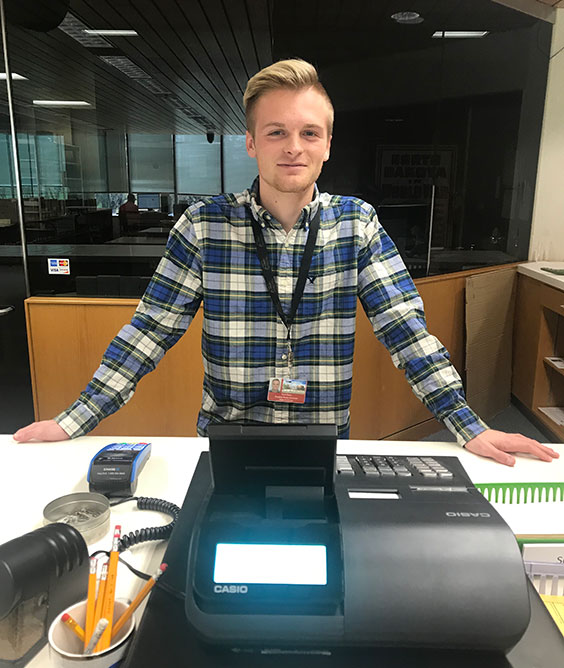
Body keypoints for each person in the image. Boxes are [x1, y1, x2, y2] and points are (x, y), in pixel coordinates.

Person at [13, 59, 558, 468]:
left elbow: (407, 334)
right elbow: (147, 334)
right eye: (276, 132)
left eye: (308, 133)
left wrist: (467, 426)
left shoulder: (356, 223)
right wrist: (74, 420)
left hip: (322, 436)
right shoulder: (205, 225)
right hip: (228, 437)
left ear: (327, 146)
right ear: (250, 143)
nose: (292, 147)